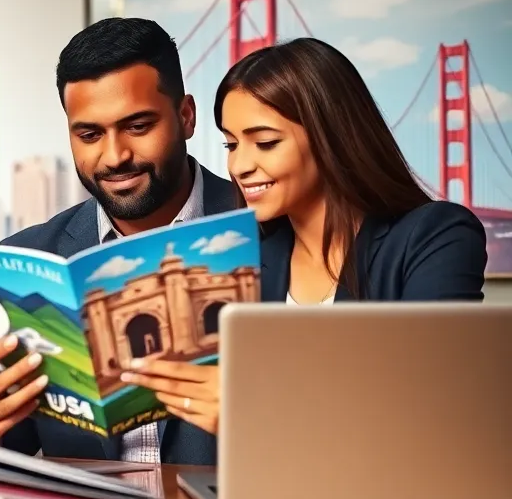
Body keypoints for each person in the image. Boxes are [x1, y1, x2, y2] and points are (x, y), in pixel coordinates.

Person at [118, 38, 487, 450]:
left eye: (266, 142)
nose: (239, 165)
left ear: (332, 136)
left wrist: (261, 412)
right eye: (231, 144)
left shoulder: (435, 237)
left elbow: (436, 412)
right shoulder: (247, 260)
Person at [0, 17, 239, 465]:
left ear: (186, 117)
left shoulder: (266, 232)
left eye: (137, 126)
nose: (114, 157)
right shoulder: (26, 259)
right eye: (90, 134)